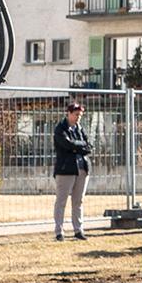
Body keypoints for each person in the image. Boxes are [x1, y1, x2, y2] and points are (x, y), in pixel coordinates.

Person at [52, 102, 90, 241]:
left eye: (80, 115)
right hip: (66, 169)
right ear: (68, 113)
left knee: (78, 201)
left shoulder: (80, 129)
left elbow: (88, 145)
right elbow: (66, 144)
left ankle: (78, 230)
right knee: (61, 201)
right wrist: (79, 146)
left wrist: (76, 146)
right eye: (76, 114)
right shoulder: (60, 128)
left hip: (82, 168)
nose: (78, 117)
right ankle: (59, 231)